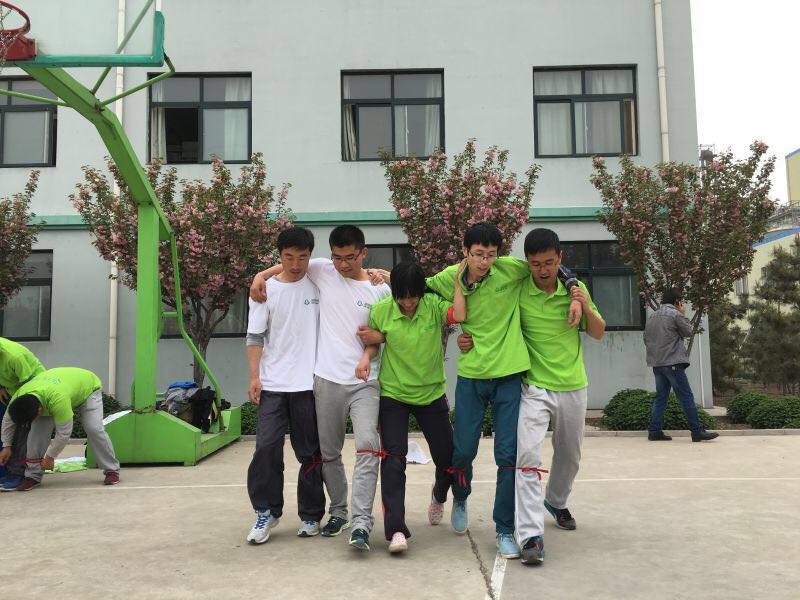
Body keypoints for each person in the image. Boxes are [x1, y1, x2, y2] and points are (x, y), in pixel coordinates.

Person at [425, 222, 582, 559]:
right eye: (478, 254)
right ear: (465, 252)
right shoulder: (451, 276)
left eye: (491, 255)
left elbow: (550, 266)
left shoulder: (510, 269)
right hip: (472, 376)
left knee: (508, 456)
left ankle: (504, 529)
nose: (485, 261)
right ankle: (460, 497)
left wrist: (572, 288)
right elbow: (422, 292)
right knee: (463, 451)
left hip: (510, 375)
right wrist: (452, 323)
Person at [250, 224, 391, 552]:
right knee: (327, 454)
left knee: (368, 445)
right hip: (325, 380)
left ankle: (361, 520)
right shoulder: (323, 270)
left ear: (364, 253)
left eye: (350, 257)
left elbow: (392, 327)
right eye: (337, 257)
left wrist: (378, 339)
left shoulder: (380, 289)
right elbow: (289, 263)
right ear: (330, 256)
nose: (343, 264)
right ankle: (338, 512)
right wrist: (260, 275)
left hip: (365, 382)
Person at [478, 228, 605, 566]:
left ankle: (557, 500)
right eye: (535, 264)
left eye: (549, 263)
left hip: (573, 385)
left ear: (560, 259)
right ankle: (530, 535)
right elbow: (485, 278)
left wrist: (583, 304)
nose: (543, 270)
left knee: (570, 454)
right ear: (527, 262)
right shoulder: (519, 289)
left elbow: (598, 332)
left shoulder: (575, 290)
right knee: (527, 458)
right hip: (533, 386)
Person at [355, 260, 466, 553]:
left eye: (412, 297)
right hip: (394, 395)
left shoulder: (433, 305)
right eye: (401, 297)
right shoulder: (381, 310)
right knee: (393, 460)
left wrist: (457, 283)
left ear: (421, 292)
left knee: (448, 459)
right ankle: (396, 531)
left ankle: (439, 494)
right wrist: (366, 356)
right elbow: (373, 343)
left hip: (431, 393)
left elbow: (458, 314)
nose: (407, 303)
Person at [244, 227, 326, 544]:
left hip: (309, 384)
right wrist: (254, 376)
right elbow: (255, 336)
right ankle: (266, 511)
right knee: (266, 448)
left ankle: (311, 514)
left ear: (310, 255)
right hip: (273, 384)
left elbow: (351, 269)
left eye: (302, 257)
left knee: (310, 453)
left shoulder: (319, 280)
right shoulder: (264, 291)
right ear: (279, 256)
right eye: (288, 257)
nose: (295, 264)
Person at [0, 367, 120, 490]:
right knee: (36, 434)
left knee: (93, 428)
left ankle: (112, 470)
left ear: (39, 410)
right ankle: (33, 476)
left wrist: (50, 457)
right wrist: (6, 446)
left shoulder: (58, 400)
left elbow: (63, 433)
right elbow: (7, 421)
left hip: (88, 388)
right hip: (58, 387)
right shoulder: (19, 398)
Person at [644, 288, 718, 442]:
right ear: (677, 301)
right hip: (672, 363)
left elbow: (646, 338)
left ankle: (654, 431)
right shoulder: (675, 314)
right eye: (681, 302)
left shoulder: (652, 316)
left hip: (657, 364)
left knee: (661, 398)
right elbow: (689, 331)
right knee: (686, 397)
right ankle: (697, 432)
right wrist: (683, 314)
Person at [0, 337, 45, 490]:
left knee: (21, 433)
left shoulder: (14, 356)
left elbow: (29, 386)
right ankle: (7, 470)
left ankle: (19, 473)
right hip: (11, 390)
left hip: (31, 392)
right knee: (6, 431)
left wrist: (28, 413)